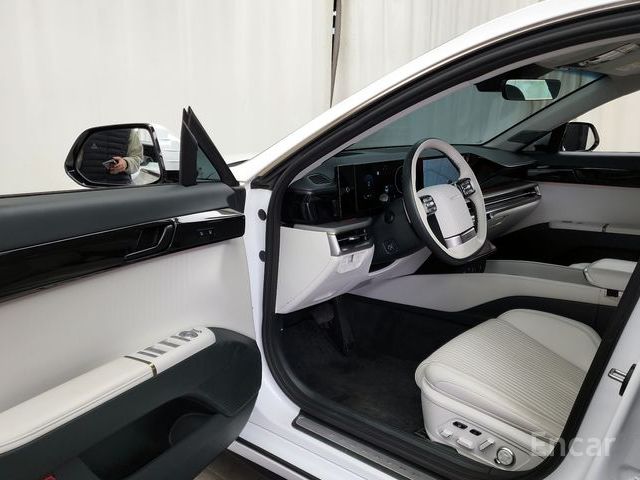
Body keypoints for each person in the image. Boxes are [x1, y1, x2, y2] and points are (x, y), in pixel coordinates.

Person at [78, 128, 143, 185]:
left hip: (120, 186)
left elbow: (137, 159)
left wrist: (126, 163)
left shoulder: (130, 132)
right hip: (87, 185)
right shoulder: (85, 129)